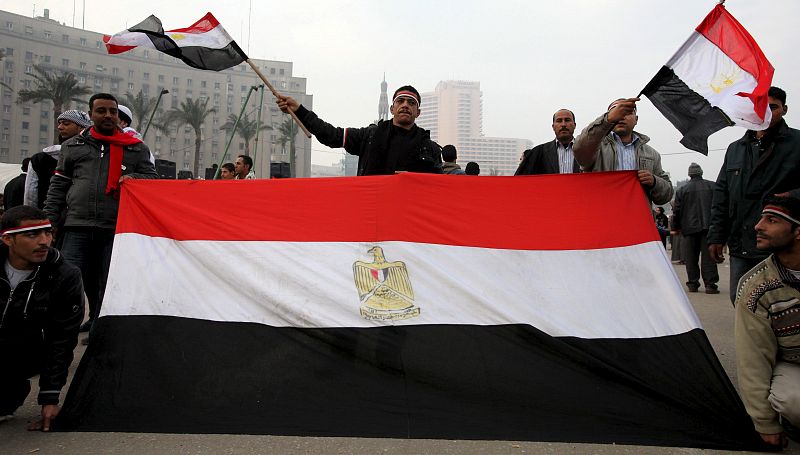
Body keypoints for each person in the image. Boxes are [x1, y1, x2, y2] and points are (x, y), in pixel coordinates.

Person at [43, 93, 158, 339]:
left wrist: (133, 178)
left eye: (112, 111)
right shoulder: (73, 146)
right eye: (101, 111)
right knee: (68, 283)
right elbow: (58, 186)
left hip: (115, 229)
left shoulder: (136, 148)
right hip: (77, 226)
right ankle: (62, 335)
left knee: (109, 285)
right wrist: (48, 222)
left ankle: (101, 334)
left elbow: (153, 180)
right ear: (91, 114)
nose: (108, 115)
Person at [708, 86, 800, 304]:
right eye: (760, 107)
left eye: (772, 107)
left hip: (784, 243)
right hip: (742, 243)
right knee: (741, 300)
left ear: (784, 109)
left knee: (784, 304)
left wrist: (791, 196)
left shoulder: (797, 144)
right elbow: (721, 196)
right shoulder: (735, 149)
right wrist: (716, 236)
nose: (766, 113)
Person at [0, 206, 84, 430]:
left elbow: (62, 339)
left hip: (21, 356)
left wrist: (50, 397)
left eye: (48, 233)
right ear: (8, 239)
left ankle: (11, 389)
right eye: (32, 235)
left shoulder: (64, 275)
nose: (44, 241)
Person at [735, 196, 800, 448]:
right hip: (793, 364)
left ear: (797, 232)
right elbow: (753, 359)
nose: (758, 226)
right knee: (793, 400)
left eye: (771, 220)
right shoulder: (756, 287)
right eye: (761, 218)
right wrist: (765, 422)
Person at [276, 86, 443, 175]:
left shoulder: (429, 148)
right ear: (392, 108)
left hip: (409, 220)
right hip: (372, 213)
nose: (405, 105)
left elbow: (437, 188)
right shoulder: (369, 136)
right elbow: (331, 135)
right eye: (401, 101)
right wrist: (300, 111)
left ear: (418, 112)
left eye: (411, 103)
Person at [573, 98, 673, 205]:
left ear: (636, 119)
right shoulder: (596, 148)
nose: (621, 117)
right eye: (617, 112)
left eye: (628, 112)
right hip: (602, 212)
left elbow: (667, 195)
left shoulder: (651, 154)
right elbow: (579, 148)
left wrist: (654, 182)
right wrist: (607, 119)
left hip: (637, 214)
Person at [23, 110, 92, 209]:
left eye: (66, 123)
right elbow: (30, 195)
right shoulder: (39, 160)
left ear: (81, 127)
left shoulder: (39, 159)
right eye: (59, 123)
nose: (60, 127)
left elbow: (30, 198)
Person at [672, 163, 719, 293]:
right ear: (701, 173)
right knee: (708, 257)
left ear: (689, 174)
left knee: (690, 257)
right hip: (709, 226)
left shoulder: (682, 190)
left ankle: (693, 283)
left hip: (689, 228)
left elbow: (677, 211)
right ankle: (710, 284)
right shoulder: (713, 186)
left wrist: (675, 227)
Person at [515, 109, 580, 175]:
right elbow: (520, 179)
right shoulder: (537, 154)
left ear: (574, 125)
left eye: (567, 120)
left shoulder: (585, 152)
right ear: (553, 127)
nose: (563, 124)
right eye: (559, 121)